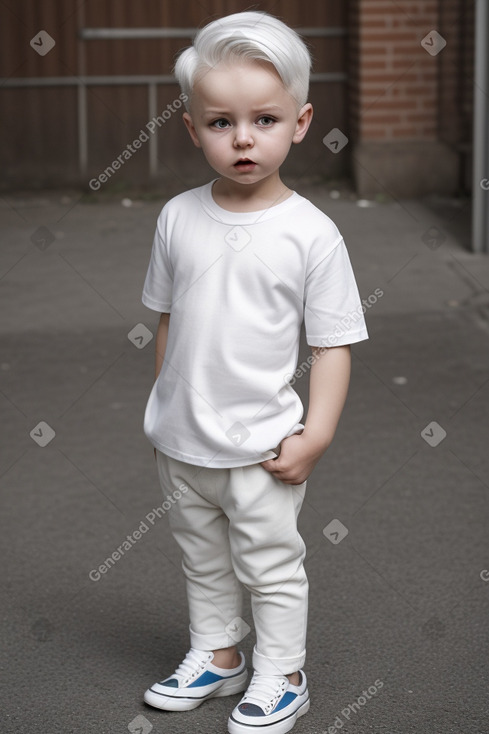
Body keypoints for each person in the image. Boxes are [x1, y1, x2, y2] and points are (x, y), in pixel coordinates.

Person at [141, 10, 368, 734]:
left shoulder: (310, 233)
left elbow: (332, 344)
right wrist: (164, 404)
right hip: (182, 441)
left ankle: (284, 674)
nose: (242, 138)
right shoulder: (177, 218)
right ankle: (218, 654)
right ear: (191, 127)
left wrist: (317, 434)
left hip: (264, 447)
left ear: (299, 123)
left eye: (263, 119)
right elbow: (168, 321)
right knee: (201, 559)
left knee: (270, 567)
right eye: (220, 122)